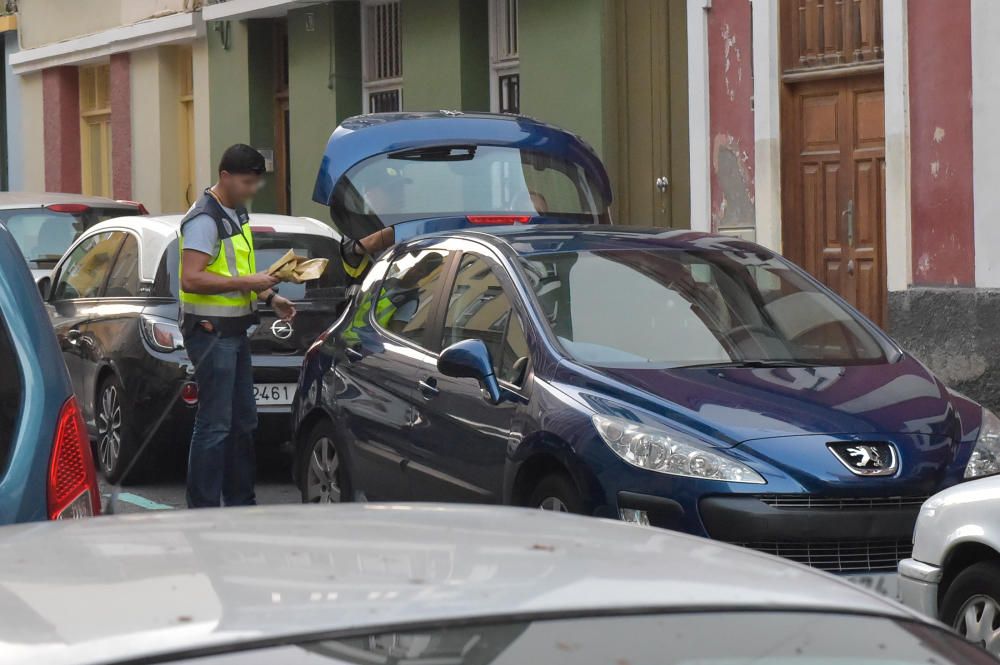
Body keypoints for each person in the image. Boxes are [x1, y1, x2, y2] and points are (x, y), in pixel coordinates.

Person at [178, 144, 296, 509]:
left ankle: (241, 503)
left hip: (233, 331)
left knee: (243, 422)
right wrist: (249, 283)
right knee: (215, 425)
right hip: (211, 333)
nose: (252, 189)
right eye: (247, 182)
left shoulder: (235, 213)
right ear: (225, 176)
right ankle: (204, 508)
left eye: (256, 182)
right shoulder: (205, 219)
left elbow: (236, 271)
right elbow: (191, 279)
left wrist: (271, 297)